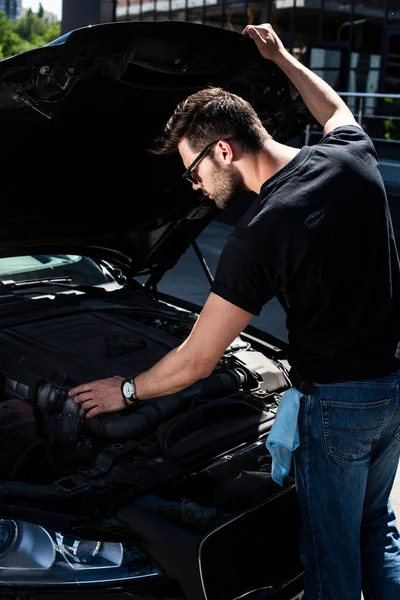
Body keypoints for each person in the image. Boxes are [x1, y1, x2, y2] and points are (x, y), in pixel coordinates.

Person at [69, 23, 400, 599]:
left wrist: (124, 392)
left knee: (330, 555)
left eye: (192, 169)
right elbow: (336, 107)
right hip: (392, 385)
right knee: (376, 529)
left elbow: (197, 361)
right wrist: (282, 61)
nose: (193, 185)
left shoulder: (261, 233)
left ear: (223, 148)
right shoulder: (350, 155)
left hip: (340, 405)